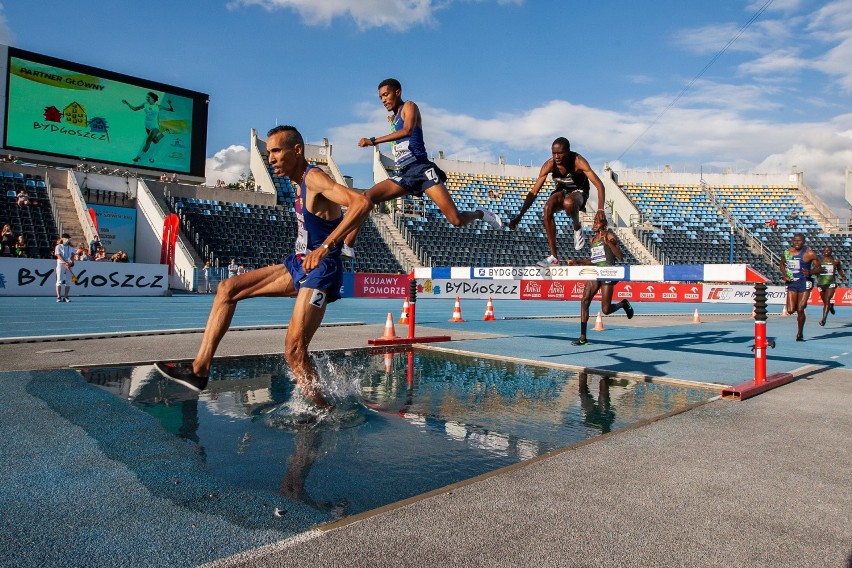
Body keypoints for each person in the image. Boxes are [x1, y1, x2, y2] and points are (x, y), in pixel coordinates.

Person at [156, 125, 372, 407]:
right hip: (299, 264)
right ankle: (199, 369)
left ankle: (325, 411)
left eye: (276, 151)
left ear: (297, 151)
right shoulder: (297, 184)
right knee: (227, 288)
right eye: (268, 152)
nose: (270, 158)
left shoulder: (315, 178)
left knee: (294, 352)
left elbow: (362, 202)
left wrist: (327, 246)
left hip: (321, 270)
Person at [342, 78, 502, 260]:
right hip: (404, 173)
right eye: (380, 97)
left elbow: (408, 130)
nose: (383, 100)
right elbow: (399, 131)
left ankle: (481, 213)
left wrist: (373, 141)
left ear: (398, 92)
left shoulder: (409, 106)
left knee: (455, 220)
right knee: (366, 198)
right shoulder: (393, 118)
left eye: (386, 95)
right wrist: (392, 121)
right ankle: (348, 245)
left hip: (421, 169)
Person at [509, 137, 607, 266]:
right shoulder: (549, 165)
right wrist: (520, 216)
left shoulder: (578, 161)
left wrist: (600, 209)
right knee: (547, 208)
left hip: (579, 192)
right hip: (562, 191)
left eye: (560, 153)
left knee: (569, 203)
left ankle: (577, 227)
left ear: (568, 152)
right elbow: (533, 193)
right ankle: (554, 257)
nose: (556, 157)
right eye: (554, 153)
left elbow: (599, 185)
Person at [567, 213, 633, 346]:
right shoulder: (592, 240)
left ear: (604, 224)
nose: (594, 224)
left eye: (597, 222)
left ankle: (624, 304)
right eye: (594, 222)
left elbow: (620, 256)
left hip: (608, 273)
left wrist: (609, 243)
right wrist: (577, 261)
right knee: (584, 300)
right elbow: (593, 260)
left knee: (606, 310)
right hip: (596, 272)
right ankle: (583, 337)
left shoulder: (609, 237)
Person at [780, 233, 821, 341]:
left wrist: (811, 271)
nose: (797, 243)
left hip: (804, 282)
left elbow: (820, 269)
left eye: (799, 241)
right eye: (795, 241)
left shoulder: (810, 253)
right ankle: (800, 304)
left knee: (800, 308)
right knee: (790, 310)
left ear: (804, 242)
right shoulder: (787, 253)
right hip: (792, 283)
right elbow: (782, 264)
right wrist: (785, 275)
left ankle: (799, 333)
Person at [122, 92, 174, 163]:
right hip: (147, 126)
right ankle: (166, 132)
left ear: (153, 98)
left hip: (155, 126)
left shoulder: (158, 106)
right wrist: (127, 103)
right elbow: (135, 109)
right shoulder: (145, 104)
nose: (147, 99)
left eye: (148, 97)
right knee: (155, 141)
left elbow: (171, 110)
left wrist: (170, 104)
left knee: (148, 141)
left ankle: (139, 157)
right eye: (146, 97)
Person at [816, 246, 845, 327]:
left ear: (831, 251)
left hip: (831, 283)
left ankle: (824, 319)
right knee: (825, 302)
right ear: (823, 251)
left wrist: (842, 276)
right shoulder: (818, 261)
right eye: (825, 250)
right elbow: (815, 270)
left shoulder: (835, 261)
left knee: (827, 299)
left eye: (828, 250)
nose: (826, 251)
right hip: (821, 283)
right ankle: (830, 306)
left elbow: (839, 269)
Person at [54, 233, 75, 303]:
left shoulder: (71, 247)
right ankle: (58, 297)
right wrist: (64, 262)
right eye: (66, 238)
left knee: (68, 281)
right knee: (59, 280)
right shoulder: (58, 246)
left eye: (68, 238)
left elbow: (72, 255)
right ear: (62, 239)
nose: (67, 240)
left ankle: (66, 296)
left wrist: (70, 262)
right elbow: (58, 255)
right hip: (61, 264)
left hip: (69, 264)